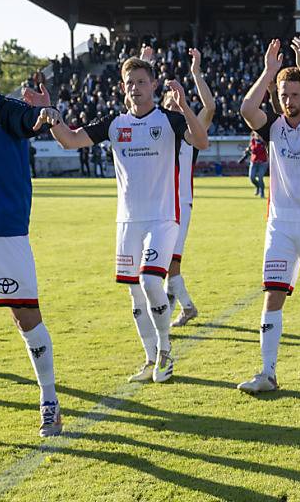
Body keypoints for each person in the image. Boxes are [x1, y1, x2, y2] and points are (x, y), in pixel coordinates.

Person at [46, 58, 210, 384]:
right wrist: (51, 114)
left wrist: (184, 106)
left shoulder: (170, 120)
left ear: (152, 85)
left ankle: (165, 351)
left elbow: (202, 141)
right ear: (123, 88)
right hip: (127, 223)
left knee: (151, 282)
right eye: (130, 82)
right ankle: (150, 359)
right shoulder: (114, 123)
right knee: (134, 294)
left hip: (163, 219)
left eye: (141, 81)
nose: (135, 88)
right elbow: (70, 139)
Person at [236, 37, 300, 392]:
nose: (289, 101)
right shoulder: (272, 128)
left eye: (295, 95)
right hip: (280, 222)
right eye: (284, 95)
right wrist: (268, 71)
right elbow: (247, 110)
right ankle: (267, 372)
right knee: (273, 293)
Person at [0, 54, 64, 437]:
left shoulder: (5, 110)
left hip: (3, 231)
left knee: (24, 315)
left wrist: (44, 115)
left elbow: (31, 121)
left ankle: (48, 398)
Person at [153, 47, 216, 328]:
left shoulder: (190, 131)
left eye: (180, 102)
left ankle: (187, 308)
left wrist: (196, 73)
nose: (176, 105)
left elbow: (210, 107)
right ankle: (173, 312)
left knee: (169, 264)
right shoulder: (155, 129)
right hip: (158, 204)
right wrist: (148, 63)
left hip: (180, 203)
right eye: (171, 102)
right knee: (167, 263)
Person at [247, 131, 268, 197]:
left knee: (260, 177)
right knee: (252, 177)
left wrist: (262, 142)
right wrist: (248, 150)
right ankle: (258, 186)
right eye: (257, 135)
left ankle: (262, 192)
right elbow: (251, 149)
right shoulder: (253, 140)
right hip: (254, 162)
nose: (258, 136)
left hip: (263, 162)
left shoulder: (265, 142)